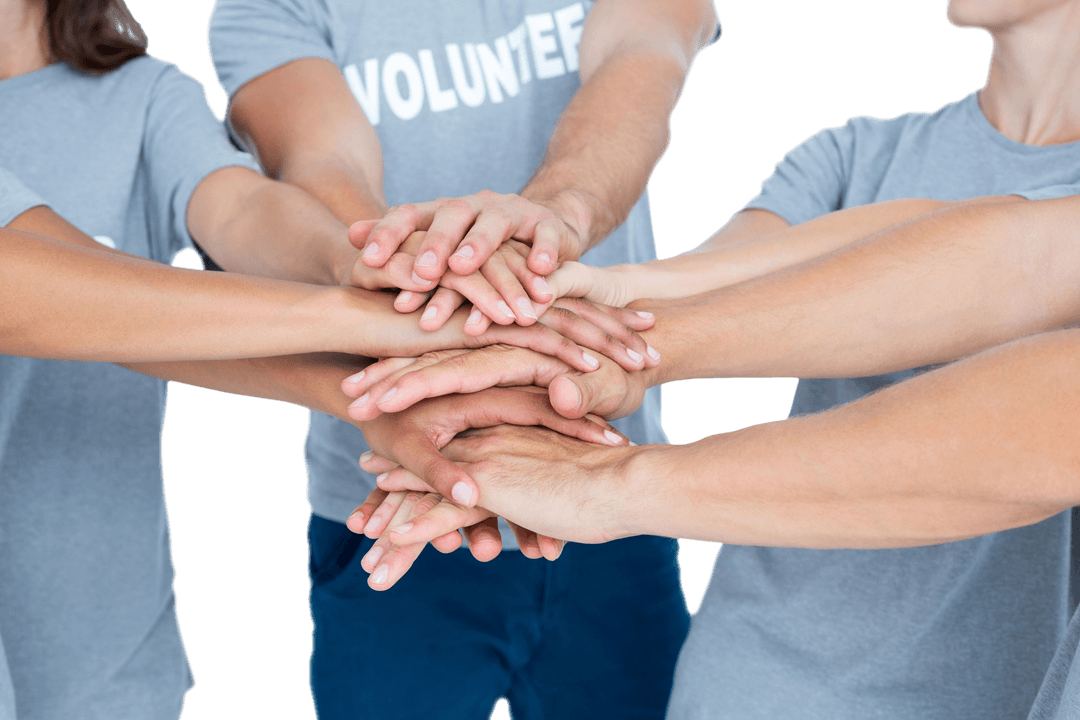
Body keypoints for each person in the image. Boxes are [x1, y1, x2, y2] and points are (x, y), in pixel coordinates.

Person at [347, 0, 1080, 717]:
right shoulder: (862, 153)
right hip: (744, 675)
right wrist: (579, 324)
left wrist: (611, 473)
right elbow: (982, 251)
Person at [0, 1, 647, 716]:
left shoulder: (143, 98)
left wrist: (363, 277)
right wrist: (383, 316)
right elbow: (45, 295)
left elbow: (218, 232)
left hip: (106, 658)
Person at [208, 1, 720, 717]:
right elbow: (318, 160)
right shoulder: (269, 9)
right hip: (395, 503)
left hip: (606, 494)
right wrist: (408, 259)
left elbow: (642, 61)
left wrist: (549, 221)